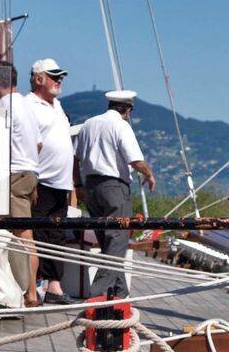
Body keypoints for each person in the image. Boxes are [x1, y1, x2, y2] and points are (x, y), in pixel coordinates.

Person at [74, 90, 156, 297]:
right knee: (117, 239)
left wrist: (78, 184)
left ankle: (120, 292)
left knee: (108, 242)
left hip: (91, 186)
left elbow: (75, 158)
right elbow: (135, 160)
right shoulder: (121, 125)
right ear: (127, 109)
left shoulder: (89, 124)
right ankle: (98, 293)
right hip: (114, 187)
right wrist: (149, 174)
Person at [0, 65, 42, 305]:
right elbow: (39, 144)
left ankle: (30, 294)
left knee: (22, 237)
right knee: (26, 235)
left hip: (14, 175)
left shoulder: (3, 105)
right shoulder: (28, 105)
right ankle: (29, 291)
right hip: (29, 172)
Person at [26, 58, 76, 304]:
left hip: (61, 183)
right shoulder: (29, 105)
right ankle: (33, 287)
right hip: (41, 182)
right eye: (54, 76)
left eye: (60, 77)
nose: (59, 81)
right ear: (38, 79)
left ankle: (54, 287)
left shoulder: (58, 106)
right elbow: (26, 144)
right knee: (37, 233)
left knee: (56, 235)